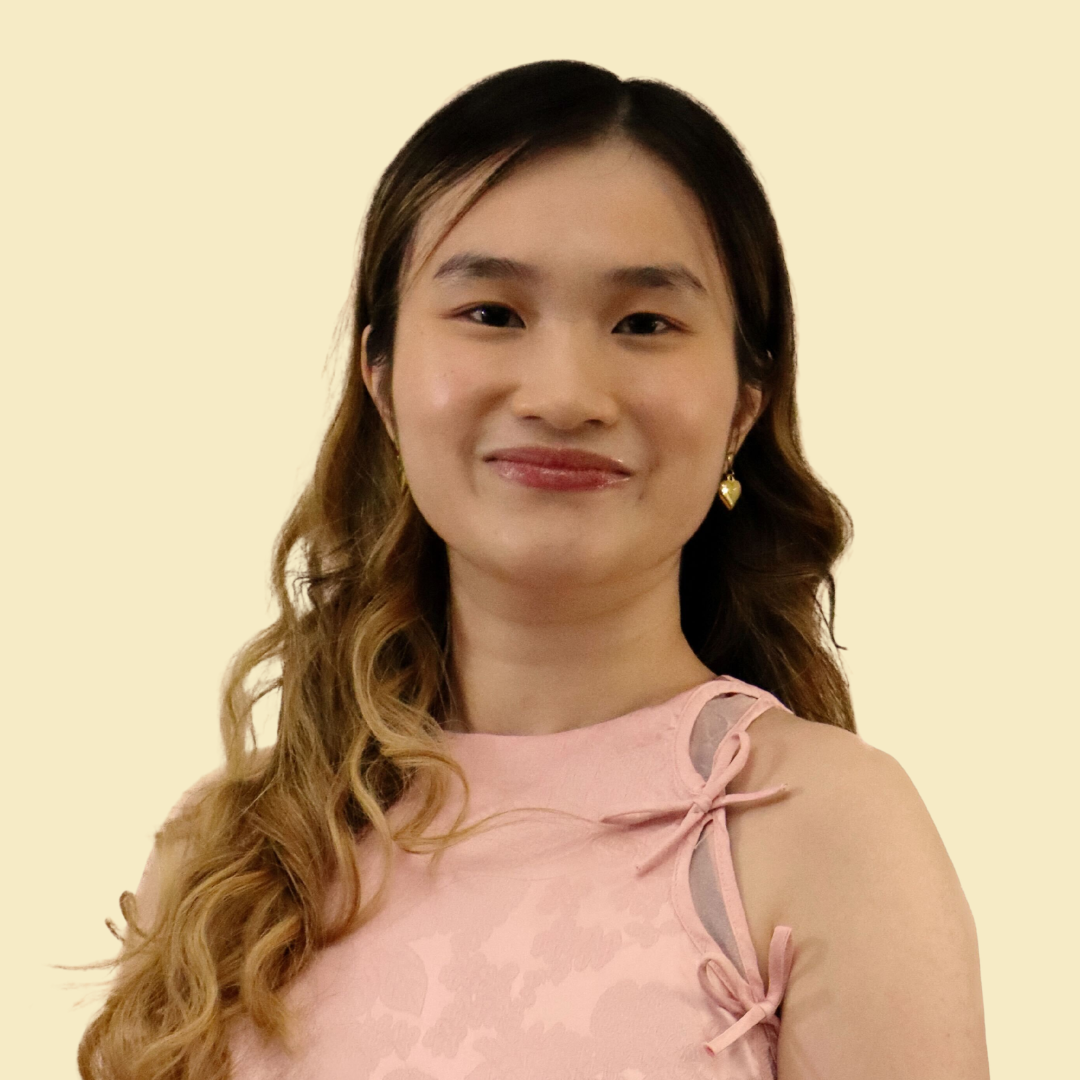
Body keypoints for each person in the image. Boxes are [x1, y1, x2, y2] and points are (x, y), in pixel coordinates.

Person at [78, 60, 989, 1080]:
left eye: (644, 324)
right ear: (381, 375)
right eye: (493, 313)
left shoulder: (823, 829)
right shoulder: (228, 855)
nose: (563, 395)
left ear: (745, 403)